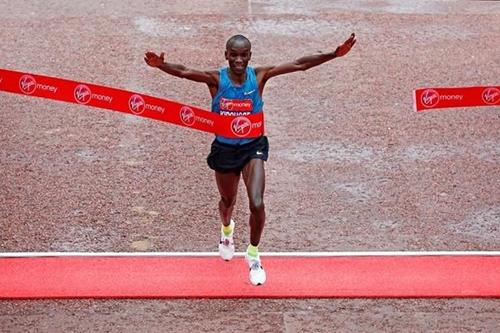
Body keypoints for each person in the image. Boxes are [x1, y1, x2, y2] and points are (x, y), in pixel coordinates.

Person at [144, 33, 356, 285]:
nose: (238, 59)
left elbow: (300, 64)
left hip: (253, 147)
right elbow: (184, 71)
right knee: (227, 201)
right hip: (224, 149)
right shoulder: (215, 79)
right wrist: (162, 66)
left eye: (243, 55)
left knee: (257, 203)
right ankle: (226, 231)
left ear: (250, 56)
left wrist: (333, 54)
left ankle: (253, 255)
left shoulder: (259, 76)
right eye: (233, 54)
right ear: (226, 55)